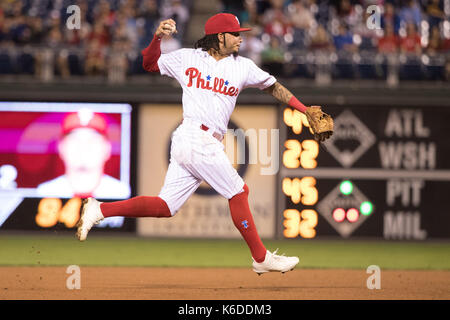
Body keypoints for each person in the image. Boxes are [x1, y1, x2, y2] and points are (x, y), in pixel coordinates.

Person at [77, 13, 332, 275]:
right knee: (238, 191)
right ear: (219, 37)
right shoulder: (188, 57)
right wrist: (157, 38)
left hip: (199, 142)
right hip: (193, 137)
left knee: (165, 207)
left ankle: (100, 209)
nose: (240, 38)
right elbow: (150, 64)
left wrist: (304, 110)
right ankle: (261, 257)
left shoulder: (242, 66)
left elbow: (273, 86)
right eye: (235, 34)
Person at [37, 109, 130, 199]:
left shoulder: (123, 193)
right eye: (75, 140)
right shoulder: (45, 193)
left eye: (93, 140)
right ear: (61, 148)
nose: (83, 147)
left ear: (107, 149)